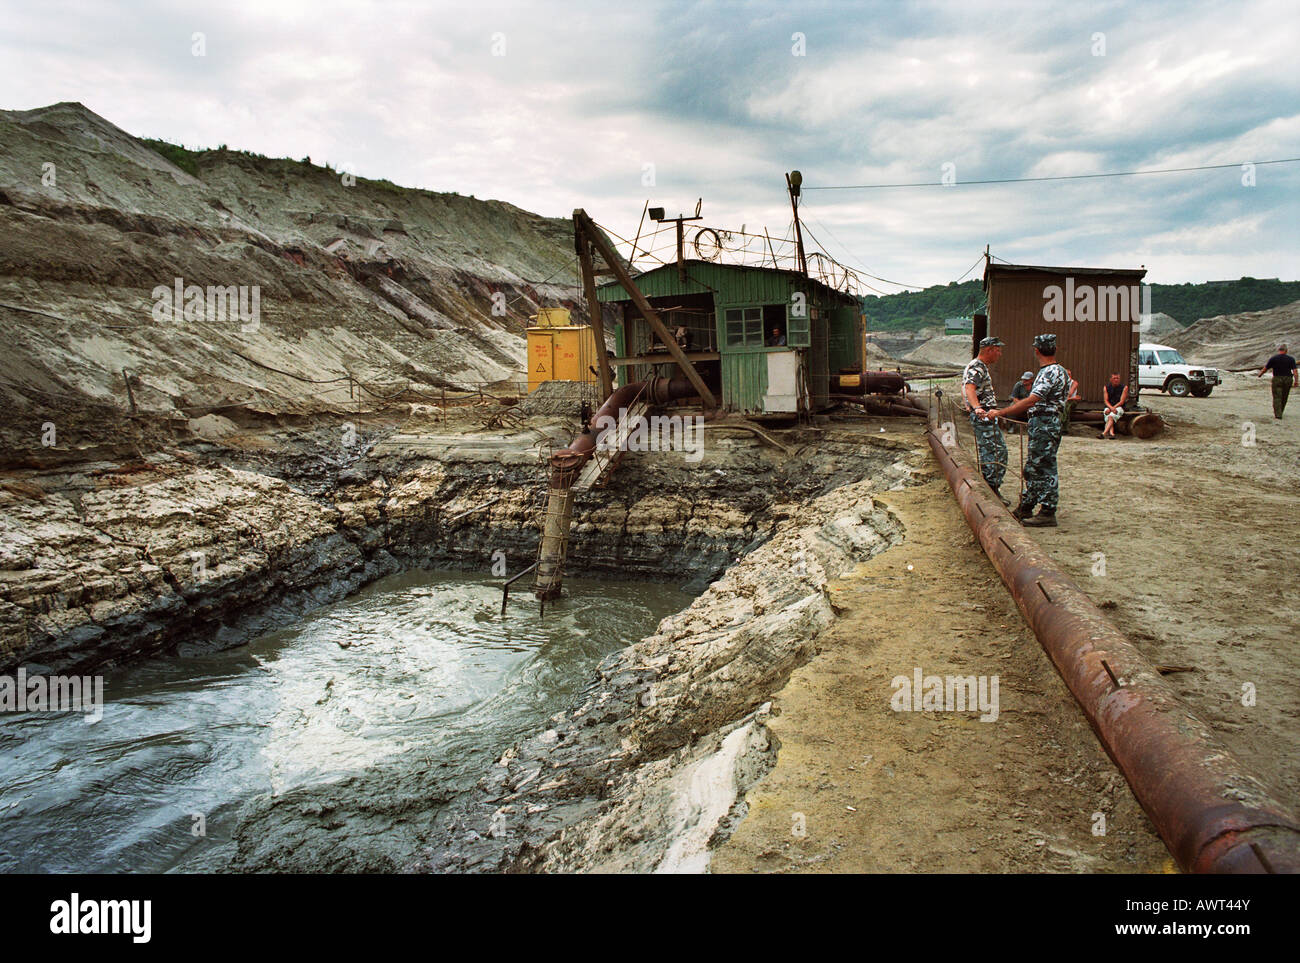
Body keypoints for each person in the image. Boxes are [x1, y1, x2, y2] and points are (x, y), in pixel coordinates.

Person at [988, 333, 1070, 527]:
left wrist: (1002, 412)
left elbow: (1033, 399)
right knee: (1033, 466)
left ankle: (1048, 511)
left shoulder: (1050, 372)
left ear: (1036, 350)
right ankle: (1026, 506)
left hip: (1045, 423)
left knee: (1044, 465)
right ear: (1055, 349)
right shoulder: (1058, 371)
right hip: (1043, 422)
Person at [961, 336, 1009, 504]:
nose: (1000, 354)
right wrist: (976, 408)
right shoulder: (977, 366)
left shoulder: (977, 366)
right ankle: (992, 490)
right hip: (984, 415)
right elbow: (969, 387)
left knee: (991, 451)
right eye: (998, 350)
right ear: (989, 350)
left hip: (985, 414)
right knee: (996, 452)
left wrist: (969, 404)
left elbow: (965, 387)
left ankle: (991, 488)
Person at [1257, 344, 1298, 418]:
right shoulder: (1291, 359)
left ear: (1279, 351)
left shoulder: (1273, 358)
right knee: (1284, 397)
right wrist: (1296, 381)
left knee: (1277, 397)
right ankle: (1281, 411)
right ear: (1286, 351)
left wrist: (1260, 374)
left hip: (1277, 378)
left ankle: (1278, 414)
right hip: (1288, 379)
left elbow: (1265, 368)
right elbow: (1295, 371)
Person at [1101, 373, 1128, 438]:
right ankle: (1112, 433)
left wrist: (1112, 408)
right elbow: (1106, 400)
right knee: (1109, 415)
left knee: (1110, 416)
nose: (1116, 380)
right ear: (1111, 379)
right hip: (1109, 406)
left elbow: (1121, 401)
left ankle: (1104, 433)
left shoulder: (1124, 387)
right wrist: (1110, 408)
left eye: (1117, 378)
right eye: (1114, 378)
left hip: (1119, 407)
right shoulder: (1106, 387)